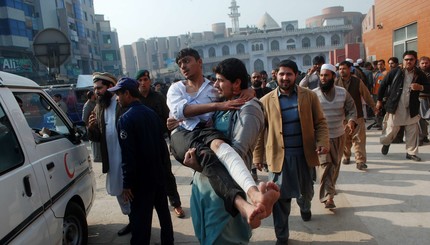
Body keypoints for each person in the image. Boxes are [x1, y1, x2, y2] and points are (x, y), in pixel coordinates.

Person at [167, 48, 279, 228]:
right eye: (180, 64)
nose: (217, 85)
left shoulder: (245, 107)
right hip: (206, 177)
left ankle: (252, 198)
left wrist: (250, 92)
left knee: (223, 235)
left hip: (228, 181)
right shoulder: (183, 90)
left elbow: (238, 151)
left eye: (220, 81)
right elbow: (182, 112)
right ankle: (254, 197)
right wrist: (222, 104)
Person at [253, 59, 330, 245]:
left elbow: (320, 122)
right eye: (281, 74)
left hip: (304, 157)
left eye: (288, 74)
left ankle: (305, 207)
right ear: (276, 75)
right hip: (279, 159)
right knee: (280, 199)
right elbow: (259, 133)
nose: (285, 77)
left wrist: (322, 141)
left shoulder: (309, 96)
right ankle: (282, 236)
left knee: (306, 193)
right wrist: (257, 156)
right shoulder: (265, 101)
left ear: (296, 75)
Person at [108, 77, 174, 245]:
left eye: (118, 94)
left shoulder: (125, 119)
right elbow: (162, 148)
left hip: (141, 182)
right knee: (164, 216)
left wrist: (127, 184)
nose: (117, 98)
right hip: (158, 176)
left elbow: (128, 156)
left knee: (141, 223)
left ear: (127, 94)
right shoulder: (151, 113)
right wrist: (165, 172)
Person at [135, 69, 185, 218]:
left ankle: (176, 203)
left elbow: (168, 119)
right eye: (140, 80)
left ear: (150, 80)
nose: (143, 82)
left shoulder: (158, 97)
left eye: (145, 79)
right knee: (144, 177)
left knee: (167, 174)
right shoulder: (134, 99)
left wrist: (173, 141)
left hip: (158, 142)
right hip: (141, 145)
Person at [86, 72, 132, 236]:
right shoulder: (99, 108)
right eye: (95, 88)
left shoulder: (122, 103)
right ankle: (131, 221)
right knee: (118, 190)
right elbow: (97, 137)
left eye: (100, 88)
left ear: (110, 87)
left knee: (131, 189)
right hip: (111, 160)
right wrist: (91, 129)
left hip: (127, 157)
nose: (96, 91)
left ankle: (137, 221)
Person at [313, 64, 357, 209]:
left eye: (326, 75)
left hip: (339, 135)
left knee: (335, 165)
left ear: (333, 77)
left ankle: (330, 190)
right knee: (326, 166)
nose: (323, 78)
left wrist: (351, 121)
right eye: (321, 76)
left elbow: (351, 108)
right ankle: (328, 197)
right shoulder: (313, 94)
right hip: (321, 137)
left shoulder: (343, 93)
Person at [377, 50, 430, 161]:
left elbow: (428, 86)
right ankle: (386, 143)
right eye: (406, 59)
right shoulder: (395, 72)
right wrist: (379, 100)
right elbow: (383, 85)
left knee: (412, 130)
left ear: (416, 60)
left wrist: (420, 87)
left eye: (411, 59)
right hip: (396, 106)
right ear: (403, 60)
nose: (408, 62)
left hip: (412, 106)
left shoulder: (419, 74)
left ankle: (411, 153)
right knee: (391, 130)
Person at [335, 60, 376, 170]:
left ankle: (360, 161)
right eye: (340, 69)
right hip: (342, 116)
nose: (341, 71)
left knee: (359, 139)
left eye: (344, 68)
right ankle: (346, 156)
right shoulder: (335, 83)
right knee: (344, 139)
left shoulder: (357, 82)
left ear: (350, 69)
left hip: (357, 114)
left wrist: (373, 106)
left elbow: (366, 95)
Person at [82, 90, 101, 162]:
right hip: (92, 127)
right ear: (92, 95)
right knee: (95, 145)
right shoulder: (87, 105)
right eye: (94, 94)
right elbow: (84, 118)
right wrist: (90, 125)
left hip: (97, 127)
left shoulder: (95, 103)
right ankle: (97, 158)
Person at [418, 56, 430, 145]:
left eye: (426, 63)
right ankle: (422, 137)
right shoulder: (417, 73)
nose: (425, 65)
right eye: (422, 63)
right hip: (421, 98)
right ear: (419, 64)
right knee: (421, 118)